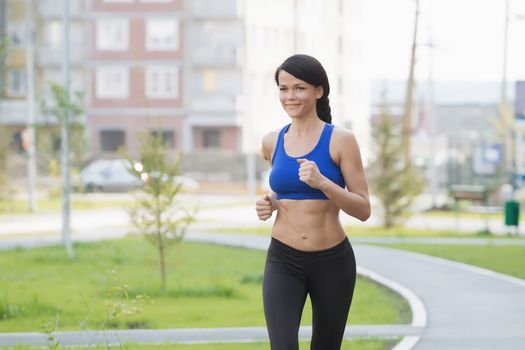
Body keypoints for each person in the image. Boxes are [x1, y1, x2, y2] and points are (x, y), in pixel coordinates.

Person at [255, 54, 371, 350]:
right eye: (283, 88)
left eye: (299, 88)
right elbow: (286, 192)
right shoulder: (272, 141)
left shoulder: (341, 140)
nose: (289, 96)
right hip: (283, 260)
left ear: (319, 91)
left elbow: (363, 209)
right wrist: (269, 201)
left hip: (332, 262)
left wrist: (323, 183)